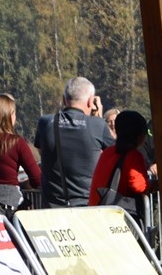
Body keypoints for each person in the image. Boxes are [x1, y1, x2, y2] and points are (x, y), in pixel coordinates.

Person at [33, 77, 113, 207]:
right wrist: (98, 117)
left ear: (64, 100)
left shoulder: (45, 122)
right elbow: (114, 155)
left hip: (52, 208)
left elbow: (42, 151)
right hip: (87, 207)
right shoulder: (97, 125)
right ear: (90, 102)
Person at [88, 110, 156, 224]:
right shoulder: (134, 155)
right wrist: (154, 185)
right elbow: (139, 186)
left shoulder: (108, 152)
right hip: (116, 216)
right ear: (140, 136)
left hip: (98, 208)